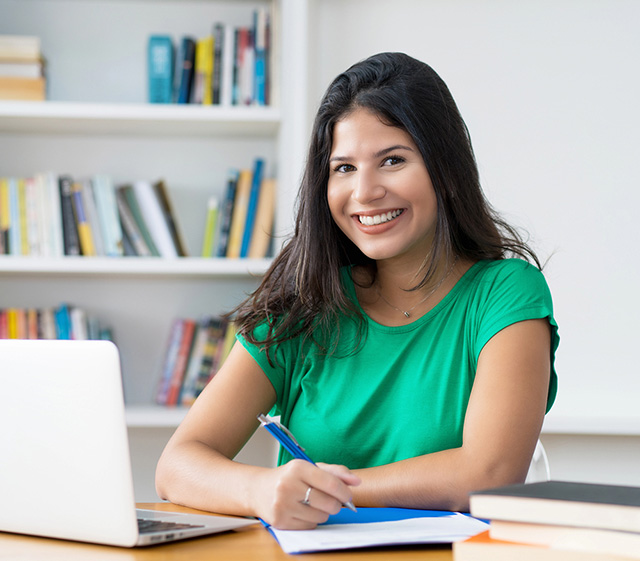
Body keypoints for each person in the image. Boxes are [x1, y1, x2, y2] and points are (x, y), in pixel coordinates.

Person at [156, 52, 559, 530]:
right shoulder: (303, 305)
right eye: (343, 168)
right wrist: (259, 489)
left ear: (446, 171)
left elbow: (490, 471)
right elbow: (177, 464)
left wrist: (325, 489)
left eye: (392, 160)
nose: (365, 192)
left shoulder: (505, 294)